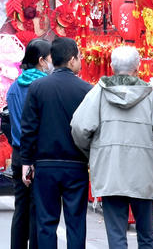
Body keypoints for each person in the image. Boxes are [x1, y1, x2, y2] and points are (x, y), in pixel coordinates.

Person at [71, 46, 153, 249]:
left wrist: (93, 153)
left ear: (111, 67)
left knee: (116, 236)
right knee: (146, 235)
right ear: (138, 68)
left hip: (111, 174)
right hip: (144, 176)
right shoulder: (151, 96)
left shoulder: (98, 93)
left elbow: (79, 127)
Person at [18, 36, 93, 249]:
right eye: (79, 58)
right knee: (76, 222)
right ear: (71, 60)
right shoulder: (86, 90)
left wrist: (26, 161)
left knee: (46, 222)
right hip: (76, 165)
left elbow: (29, 128)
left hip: (45, 164)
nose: (80, 61)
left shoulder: (38, 88)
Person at [6, 39, 51, 249]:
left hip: (18, 152)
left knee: (21, 208)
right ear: (42, 61)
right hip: (36, 153)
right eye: (50, 58)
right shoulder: (43, 86)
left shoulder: (15, 86)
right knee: (37, 208)